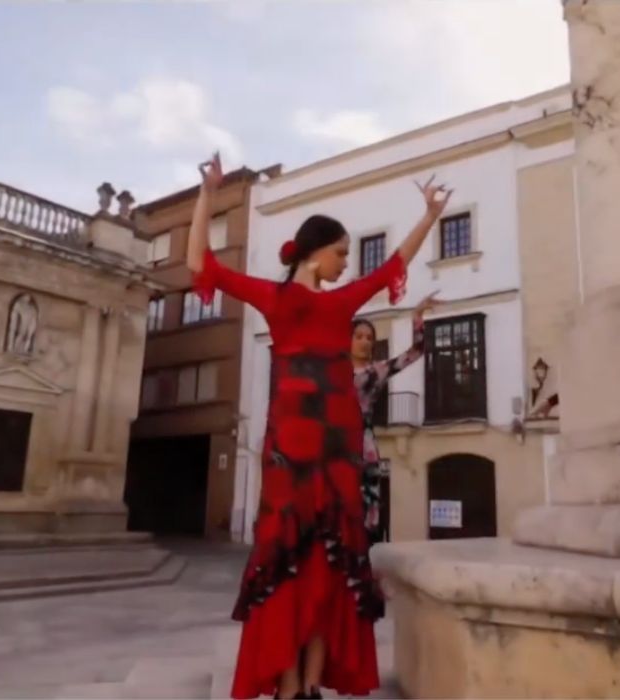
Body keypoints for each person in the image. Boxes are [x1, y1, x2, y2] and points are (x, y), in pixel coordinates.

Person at [187, 152, 452, 700]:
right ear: (312, 252)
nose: (344, 266)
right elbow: (202, 264)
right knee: (289, 563)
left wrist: (429, 216)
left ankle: (308, 686)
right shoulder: (274, 297)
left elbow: (393, 266)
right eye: (338, 254)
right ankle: (288, 685)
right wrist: (208, 195)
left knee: (330, 569)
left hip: (339, 452)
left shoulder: (343, 303)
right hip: (291, 451)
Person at [351, 292, 437, 545]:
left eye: (369, 338)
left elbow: (416, 351)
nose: (365, 342)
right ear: (348, 340)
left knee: (366, 504)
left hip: (364, 445)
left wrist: (417, 317)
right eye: (359, 337)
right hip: (333, 444)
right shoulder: (333, 370)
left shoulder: (377, 371)